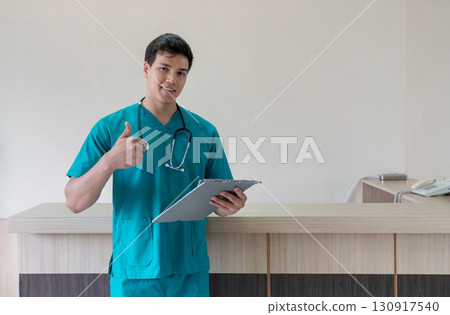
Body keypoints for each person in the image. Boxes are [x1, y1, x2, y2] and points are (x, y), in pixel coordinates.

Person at [64, 33, 247, 297]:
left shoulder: (204, 130)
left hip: (188, 270)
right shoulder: (110, 127)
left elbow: (218, 199)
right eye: (164, 68)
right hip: (134, 270)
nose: (172, 79)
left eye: (181, 73)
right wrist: (108, 163)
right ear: (146, 68)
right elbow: (74, 202)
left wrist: (230, 205)